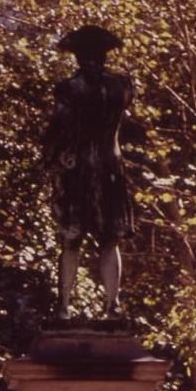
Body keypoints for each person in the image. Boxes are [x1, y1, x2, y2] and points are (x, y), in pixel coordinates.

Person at [43, 24, 134, 319]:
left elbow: (58, 128)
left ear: (78, 57)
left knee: (72, 239)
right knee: (110, 239)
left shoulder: (69, 89)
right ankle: (112, 304)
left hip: (78, 168)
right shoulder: (122, 87)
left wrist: (51, 160)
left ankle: (64, 306)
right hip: (110, 166)